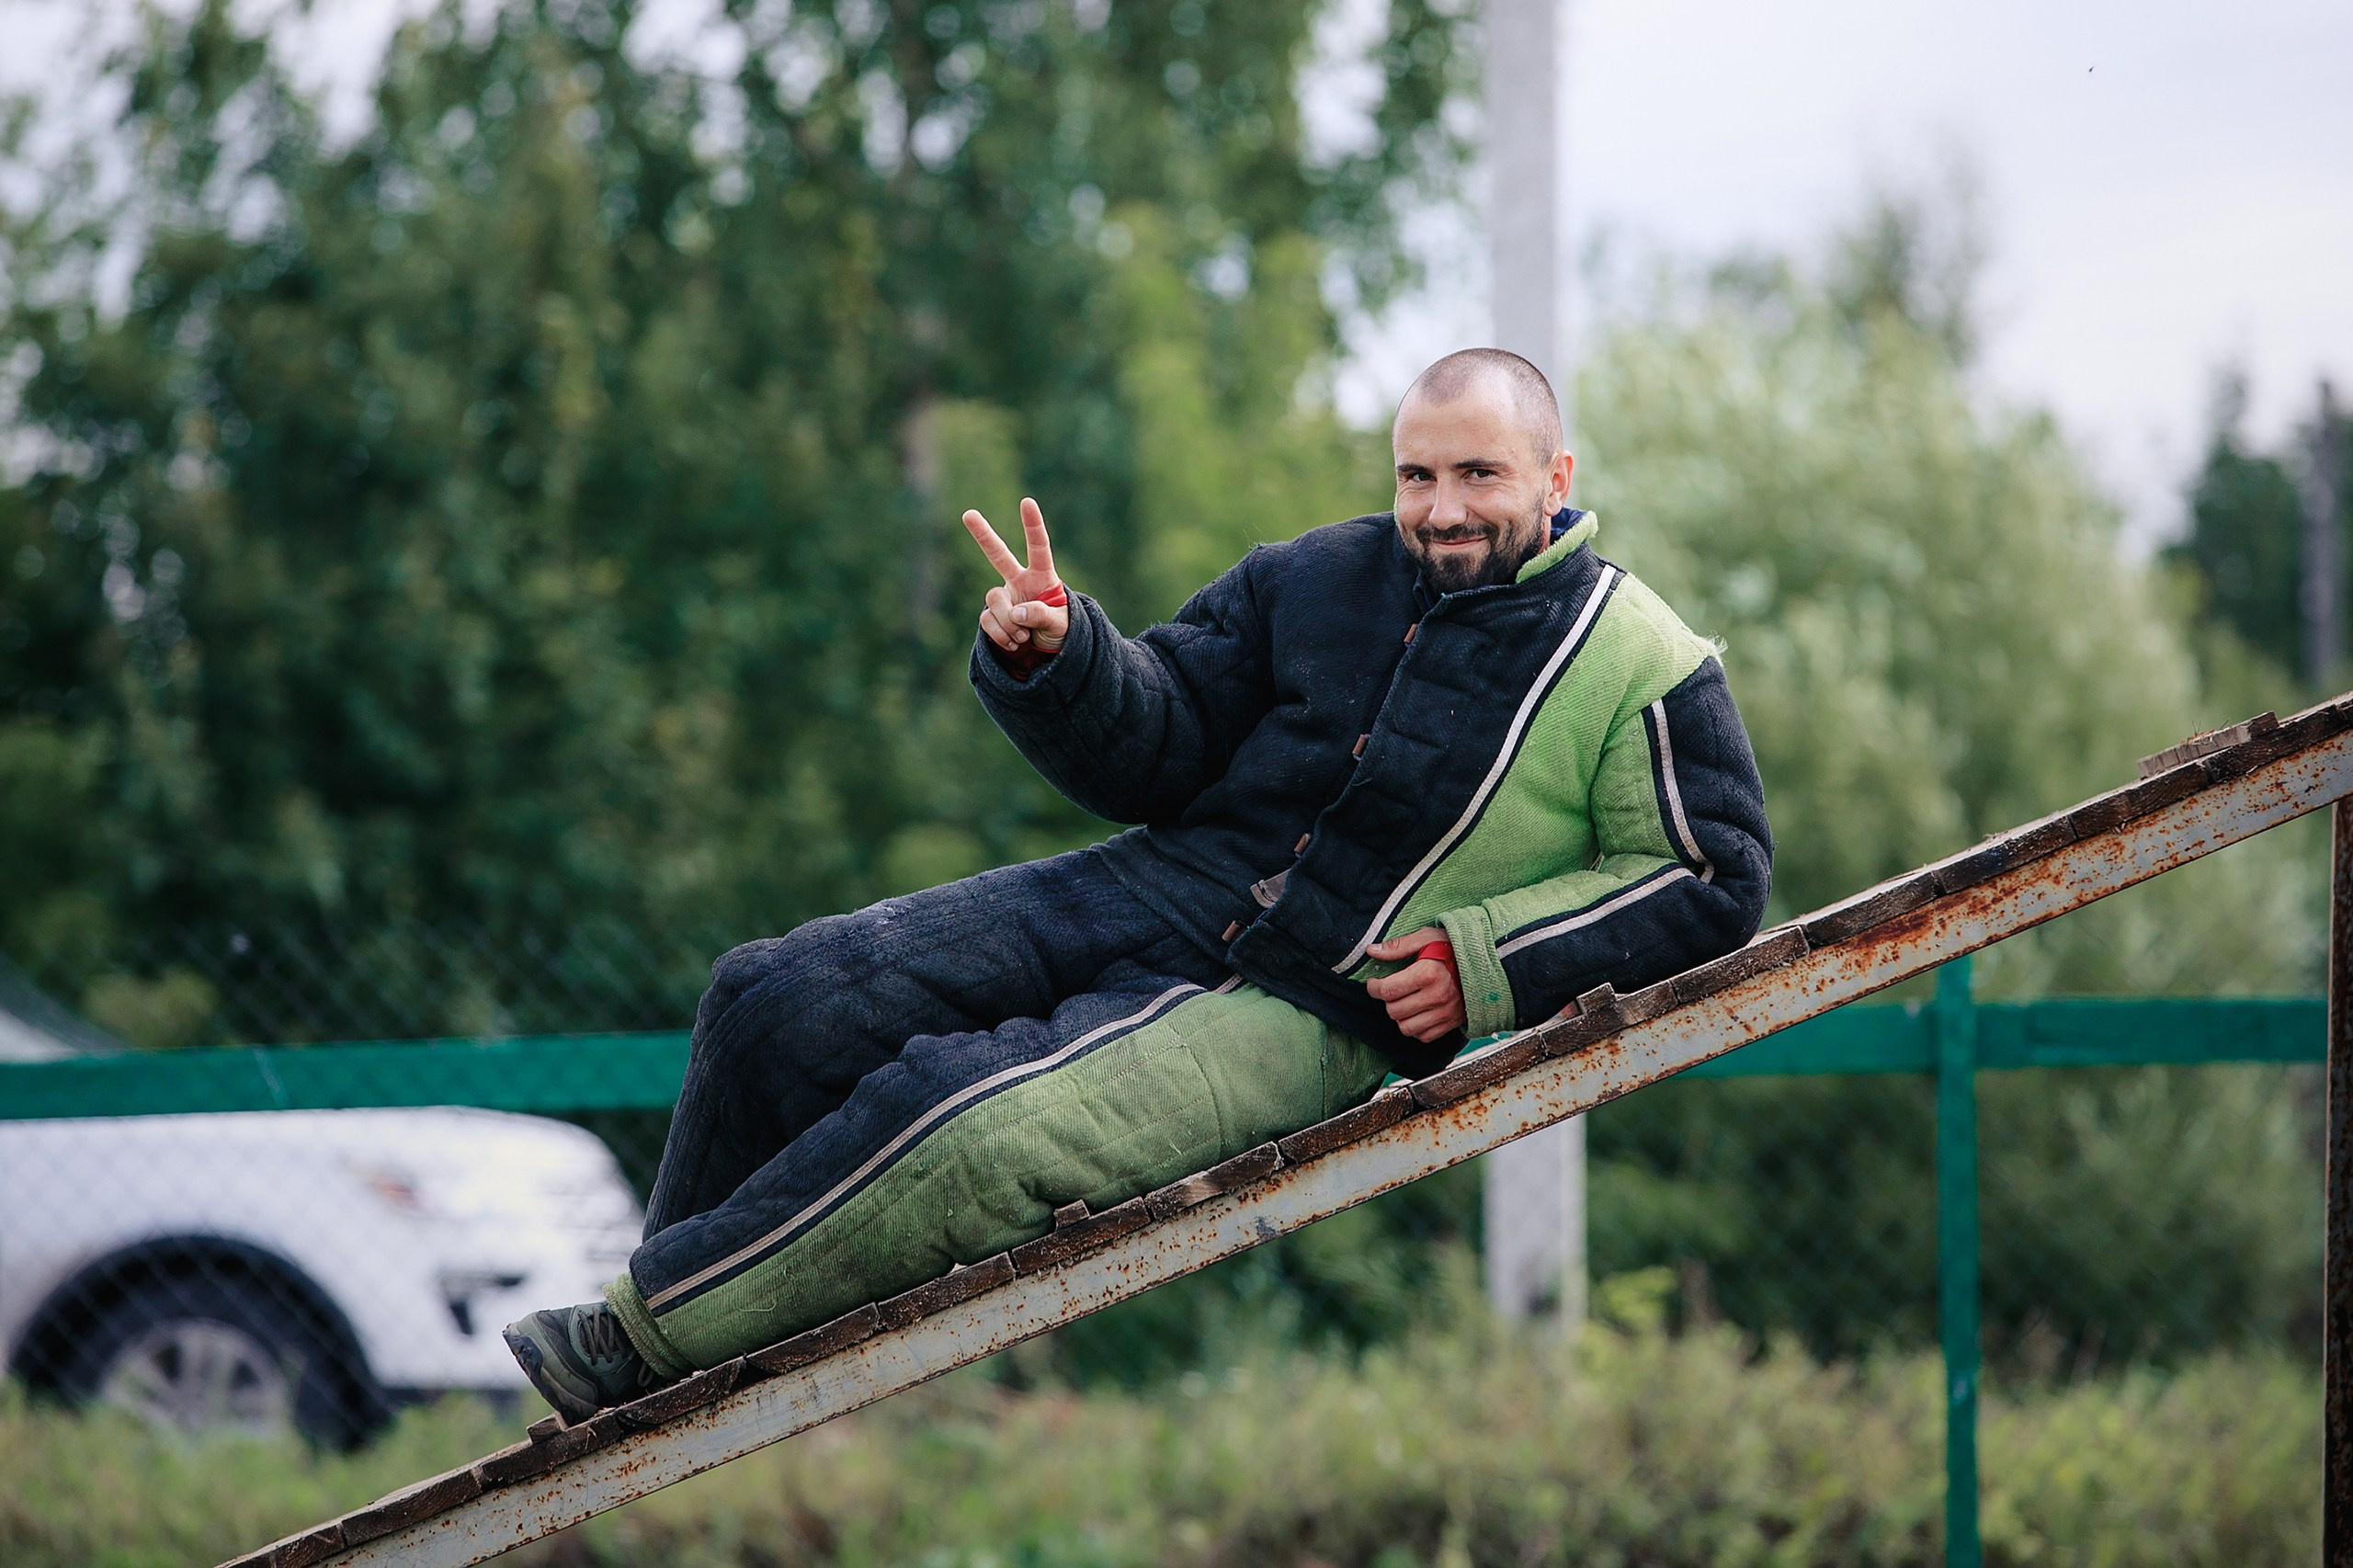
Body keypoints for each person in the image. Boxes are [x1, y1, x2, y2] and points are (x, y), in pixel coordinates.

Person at [502, 347, 1772, 1420]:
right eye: (1418, 474)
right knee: (774, 994)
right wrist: (1062, 655)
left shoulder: (1638, 661)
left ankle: (644, 1341)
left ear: (1555, 478)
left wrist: (1487, 960)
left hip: (1309, 1007)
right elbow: (1161, 735)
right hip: (1164, 881)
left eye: (1478, 475)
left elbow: (1710, 872)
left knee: (968, 1124)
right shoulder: (1314, 575)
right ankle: (674, 1332)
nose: (1441, 509)